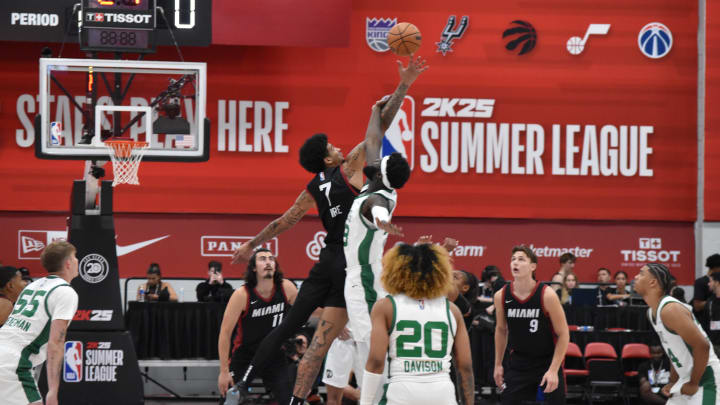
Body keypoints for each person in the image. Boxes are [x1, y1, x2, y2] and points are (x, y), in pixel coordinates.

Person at [229, 57, 427, 405]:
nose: (337, 146)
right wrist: (404, 86)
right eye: (331, 147)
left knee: (297, 331)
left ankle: (244, 384)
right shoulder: (350, 166)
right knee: (372, 340)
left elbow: (284, 221)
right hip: (353, 264)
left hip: (325, 263)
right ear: (327, 159)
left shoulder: (312, 189)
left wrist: (251, 244)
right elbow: (379, 128)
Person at [359, 243, 474, 405]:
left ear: (396, 271)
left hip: (402, 391)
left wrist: (365, 402)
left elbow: (376, 361)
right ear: (440, 273)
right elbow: (466, 366)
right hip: (442, 393)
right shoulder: (452, 310)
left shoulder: (386, 306)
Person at [0, 240, 79, 405]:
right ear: (68, 263)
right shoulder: (65, 292)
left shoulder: (32, 286)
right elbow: (56, 343)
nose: (78, 261)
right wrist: (53, 391)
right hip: (14, 364)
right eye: (75, 257)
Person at [217, 248, 298, 404]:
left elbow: (309, 309)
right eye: (262, 259)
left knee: (288, 400)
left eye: (271, 258)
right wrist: (223, 371)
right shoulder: (242, 294)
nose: (268, 262)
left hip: (273, 354)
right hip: (245, 354)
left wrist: (335, 320)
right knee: (230, 399)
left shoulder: (286, 287)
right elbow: (225, 333)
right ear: (253, 267)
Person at [633, 263, 720, 404]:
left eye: (641, 273)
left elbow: (702, 346)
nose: (636, 277)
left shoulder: (670, 309)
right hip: (686, 378)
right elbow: (674, 349)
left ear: (653, 282)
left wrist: (693, 383)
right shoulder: (651, 312)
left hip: (705, 379)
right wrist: (673, 381)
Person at [494, 245, 569, 405]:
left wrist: (554, 369)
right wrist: (498, 365)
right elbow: (501, 330)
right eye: (513, 259)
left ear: (533, 266)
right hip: (519, 362)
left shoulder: (547, 295)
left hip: (547, 362)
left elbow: (563, 334)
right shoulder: (502, 295)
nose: (515, 263)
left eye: (521, 259)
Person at [322, 327, 363, 405]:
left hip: (368, 340)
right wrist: (336, 323)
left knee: (374, 396)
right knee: (333, 399)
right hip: (343, 341)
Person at [693, 254, 720, 334]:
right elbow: (697, 306)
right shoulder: (701, 282)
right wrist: (713, 301)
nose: (709, 284)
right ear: (715, 268)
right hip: (707, 326)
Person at [706, 272, 720, 356]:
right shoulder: (710, 301)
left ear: (717, 282)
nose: (708, 284)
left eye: (710, 281)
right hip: (713, 345)